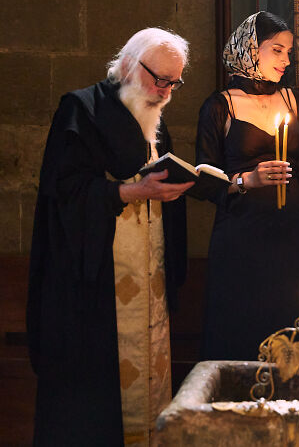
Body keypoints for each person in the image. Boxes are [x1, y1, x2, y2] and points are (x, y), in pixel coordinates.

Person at [27, 28, 192, 445]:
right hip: (95, 287)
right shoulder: (79, 110)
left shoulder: (155, 120)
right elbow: (63, 194)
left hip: (148, 279)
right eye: (159, 79)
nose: (165, 91)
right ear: (127, 66)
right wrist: (131, 192)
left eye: (174, 83)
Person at [196, 11, 299, 361]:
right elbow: (204, 183)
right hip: (241, 237)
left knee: (288, 320)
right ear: (251, 49)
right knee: (241, 323)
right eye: (277, 50)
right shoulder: (219, 106)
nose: (286, 60)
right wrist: (247, 180)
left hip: (289, 233)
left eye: (289, 52)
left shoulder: (292, 100)